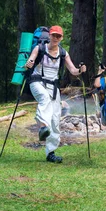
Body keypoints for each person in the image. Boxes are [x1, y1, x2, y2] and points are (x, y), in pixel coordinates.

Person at [25, 25, 87, 163]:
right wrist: (29, 63)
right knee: (44, 99)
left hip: (53, 86)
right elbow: (30, 60)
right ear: (49, 36)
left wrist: (80, 70)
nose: (55, 38)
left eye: (58, 36)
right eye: (53, 35)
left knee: (55, 119)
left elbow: (73, 70)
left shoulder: (63, 53)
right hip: (37, 82)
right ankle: (42, 127)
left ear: (61, 38)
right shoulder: (39, 48)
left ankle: (50, 152)